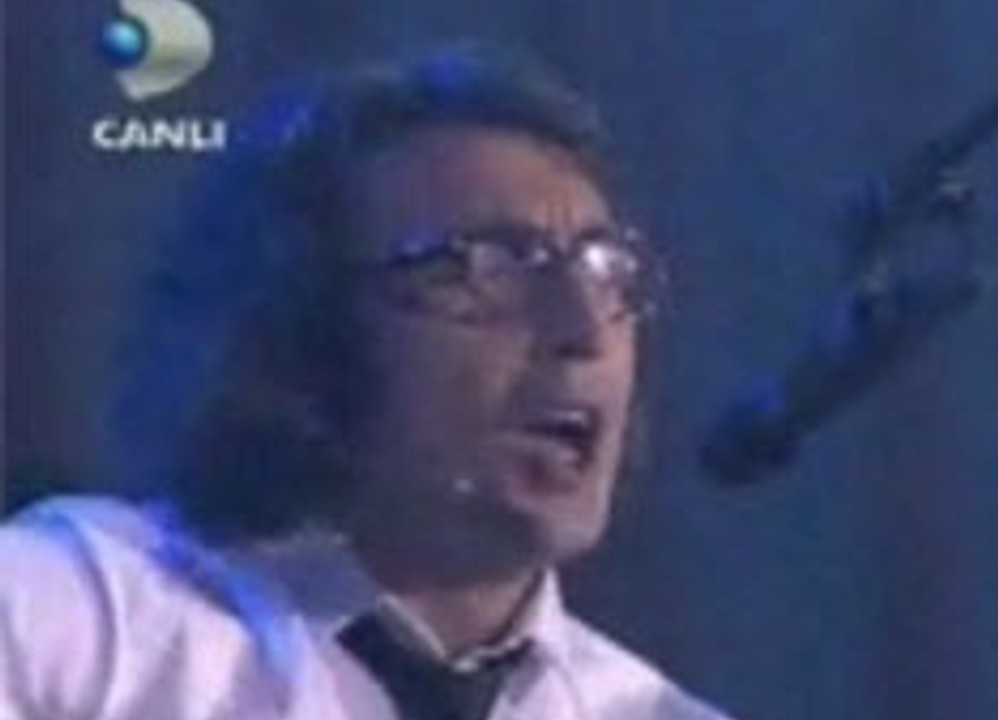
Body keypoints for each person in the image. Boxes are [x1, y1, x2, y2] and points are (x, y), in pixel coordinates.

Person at [0, 44, 734, 720]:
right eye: (488, 268)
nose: (584, 329)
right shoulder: (79, 612)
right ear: (302, 328)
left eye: (606, 271)